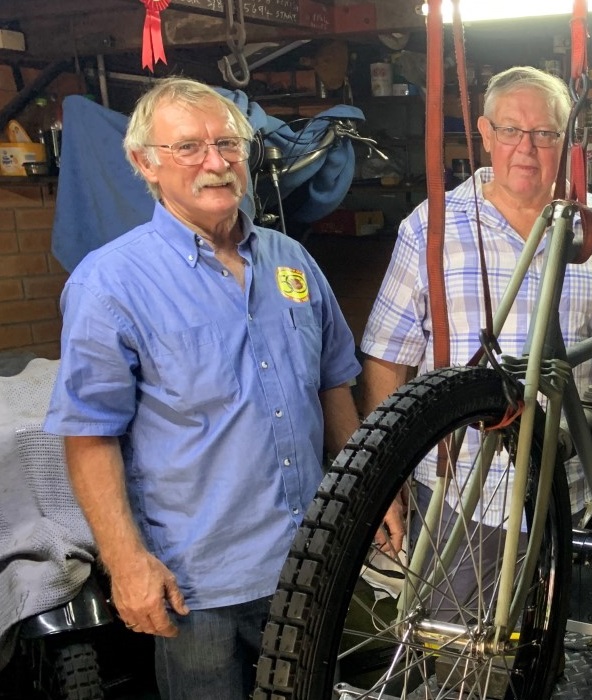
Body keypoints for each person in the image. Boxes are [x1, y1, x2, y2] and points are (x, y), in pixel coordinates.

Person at [42, 77, 393, 700]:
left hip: (311, 562)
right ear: (143, 162)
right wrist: (126, 563)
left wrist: (369, 487)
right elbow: (89, 437)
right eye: (188, 148)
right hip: (199, 584)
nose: (215, 162)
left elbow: (333, 386)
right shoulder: (110, 284)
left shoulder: (292, 261)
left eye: (228, 143)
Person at [360, 66, 592, 612]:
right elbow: (387, 362)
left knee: (558, 657)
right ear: (485, 133)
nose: (528, 148)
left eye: (546, 133)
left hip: (572, 493)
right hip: (457, 497)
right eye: (512, 131)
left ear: (567, 142)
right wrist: (384, 481)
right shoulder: (433, 226)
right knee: (456, 660)